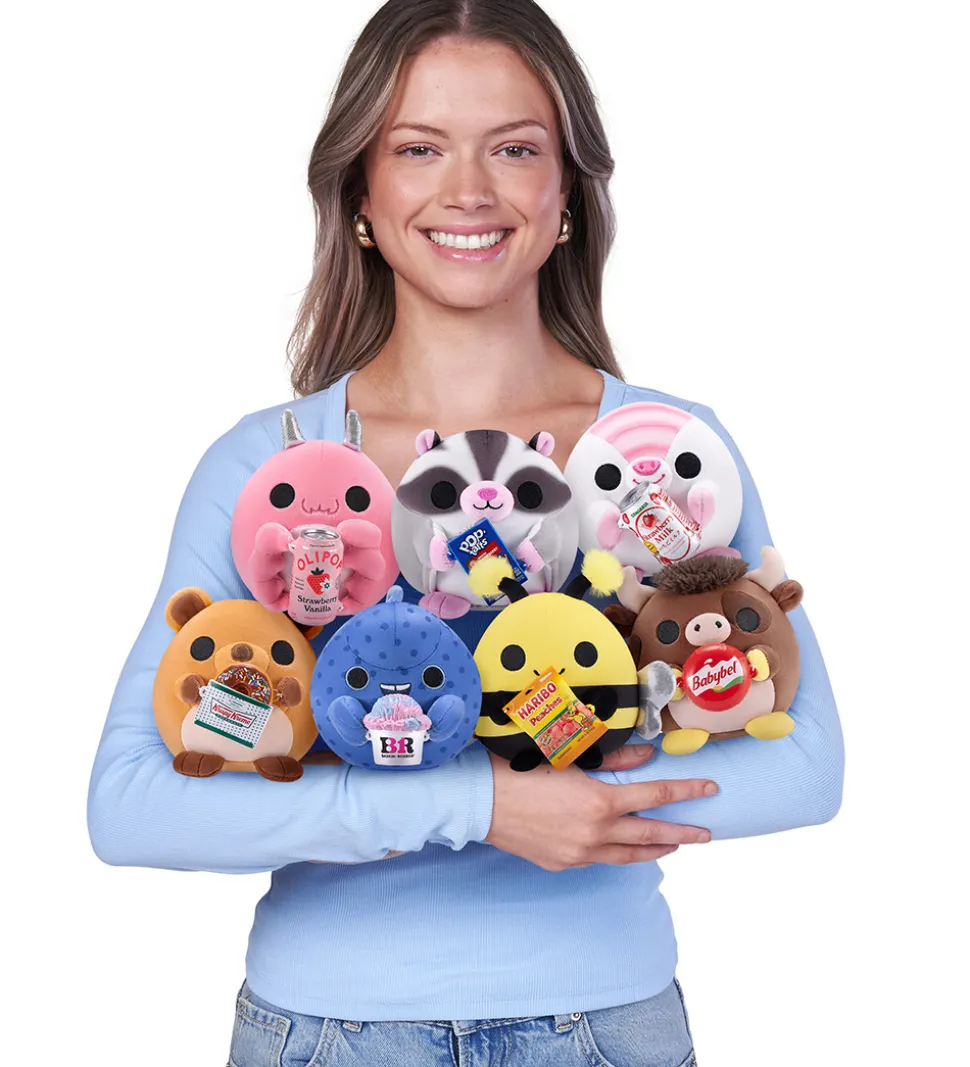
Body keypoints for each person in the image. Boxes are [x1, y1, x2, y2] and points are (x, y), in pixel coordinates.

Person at [87, 1, 843, 1064]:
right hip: (329, 1033)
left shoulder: (664, 459)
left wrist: (560, 802)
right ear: (359, 192)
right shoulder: (274, 464)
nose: (469, 190)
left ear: (567, 191)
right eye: (419, 148)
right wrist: (482, 805)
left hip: (604, 1029)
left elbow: (804, 765)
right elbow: (134, 804)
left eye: (515, 148)